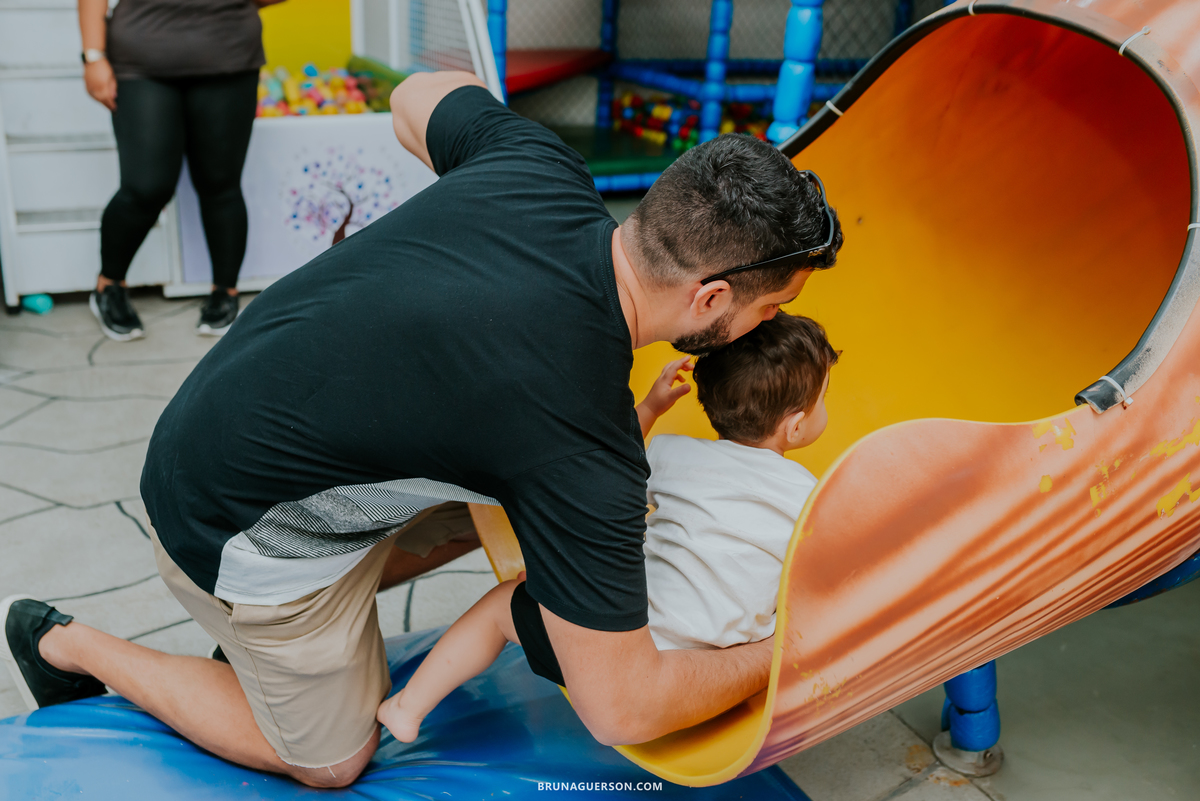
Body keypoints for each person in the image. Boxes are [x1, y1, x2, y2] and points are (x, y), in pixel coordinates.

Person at [0, 71, 842, 789]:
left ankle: (283, 643)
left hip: (210, 419)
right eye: (769, 307)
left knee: (499, 502)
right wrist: (782, 653)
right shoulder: (578, 441)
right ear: (709, 299)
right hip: (225, 526)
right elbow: (624, 702)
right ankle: (71, 644)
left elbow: (414, 95)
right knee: (333, 760)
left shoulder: (537, 164)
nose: (763, 325)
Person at [375, 313, 838, 741]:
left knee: (502, 606)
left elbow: (603, 473)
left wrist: (653, 406)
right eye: (823, 398)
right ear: (794, 427)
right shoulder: (810, 496)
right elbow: (813, 578)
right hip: (707, 673)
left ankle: (407, 708)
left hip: (612, 648)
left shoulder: (674, 455)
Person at [78, 0, 284, 341]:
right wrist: (93, 55)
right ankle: (109, 285)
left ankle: (225, 292)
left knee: (220, 182)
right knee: (146, 187)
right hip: (141, 61)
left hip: (229, 56)